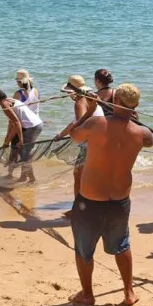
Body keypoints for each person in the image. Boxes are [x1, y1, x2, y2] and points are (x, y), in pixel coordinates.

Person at [66, 83, 153, 306]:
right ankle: (129, 292)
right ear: (136, 106)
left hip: (90, 202)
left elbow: (74, 135)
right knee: (121, 245)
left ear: (115, 101)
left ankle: (87, 294)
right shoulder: (141, 133)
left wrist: (90, 109)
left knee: (84, 250)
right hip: (119, 201)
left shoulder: (96, 123)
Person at [58, 75, 105, 217]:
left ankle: (78, 209)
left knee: (78, 175)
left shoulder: (80, 102)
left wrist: (69, 133)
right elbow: (76, 121)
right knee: (91, 175)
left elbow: (80, 125)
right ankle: (92, 206)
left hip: (90, 142)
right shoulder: (92, 99)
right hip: (101, 140)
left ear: (73, 92)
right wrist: (62, 134)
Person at [0, 88, 43, 184]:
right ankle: (23, 177)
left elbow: (16, 123)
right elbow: (12, 123)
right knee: (22, 152)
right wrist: (7, 140)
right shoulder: (10, 100)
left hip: (32, 126)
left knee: (24, 154)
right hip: (34, 124)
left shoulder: (4, 105)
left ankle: (32, 179)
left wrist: (21, 140)